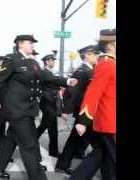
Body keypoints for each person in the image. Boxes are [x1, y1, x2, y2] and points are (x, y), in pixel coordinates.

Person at [0, 34, 78, 180]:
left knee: (12, 139)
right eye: (30, 43)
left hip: (28, 108)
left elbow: (45, 77)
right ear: (20, 44)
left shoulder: (32, 63)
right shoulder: (11, 59)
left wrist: (66, 81)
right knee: (29, 145)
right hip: (15, 109)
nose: (33, 46)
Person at [69, 29, 116, 180]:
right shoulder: (106, 65)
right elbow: (93, 93)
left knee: (100, 156)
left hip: (111, 120)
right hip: (109, 121)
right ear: (110, 45)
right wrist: (83, 121)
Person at [55, 45, 100, 175]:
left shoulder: (90, 70)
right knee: (90, 141)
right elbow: (71, 92)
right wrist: (66, 111)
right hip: (81, 111)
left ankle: (64, 163)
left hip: (85, 110)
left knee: (77, 138)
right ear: (87, 55)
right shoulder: (83, 71)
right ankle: (64, 165)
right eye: (94, 54)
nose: (97, 56)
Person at [36, 54, 75, 158]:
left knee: (43, 126)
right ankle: (53, 151)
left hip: (51, 103)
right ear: (47, 62)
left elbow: (55, 80)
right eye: (52, 61)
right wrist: (68, 81)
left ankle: (30, 141)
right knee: (52, 128)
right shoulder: (44, 73)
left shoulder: (49, 73)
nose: (53, 62)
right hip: (47, 103)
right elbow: (55, 80)